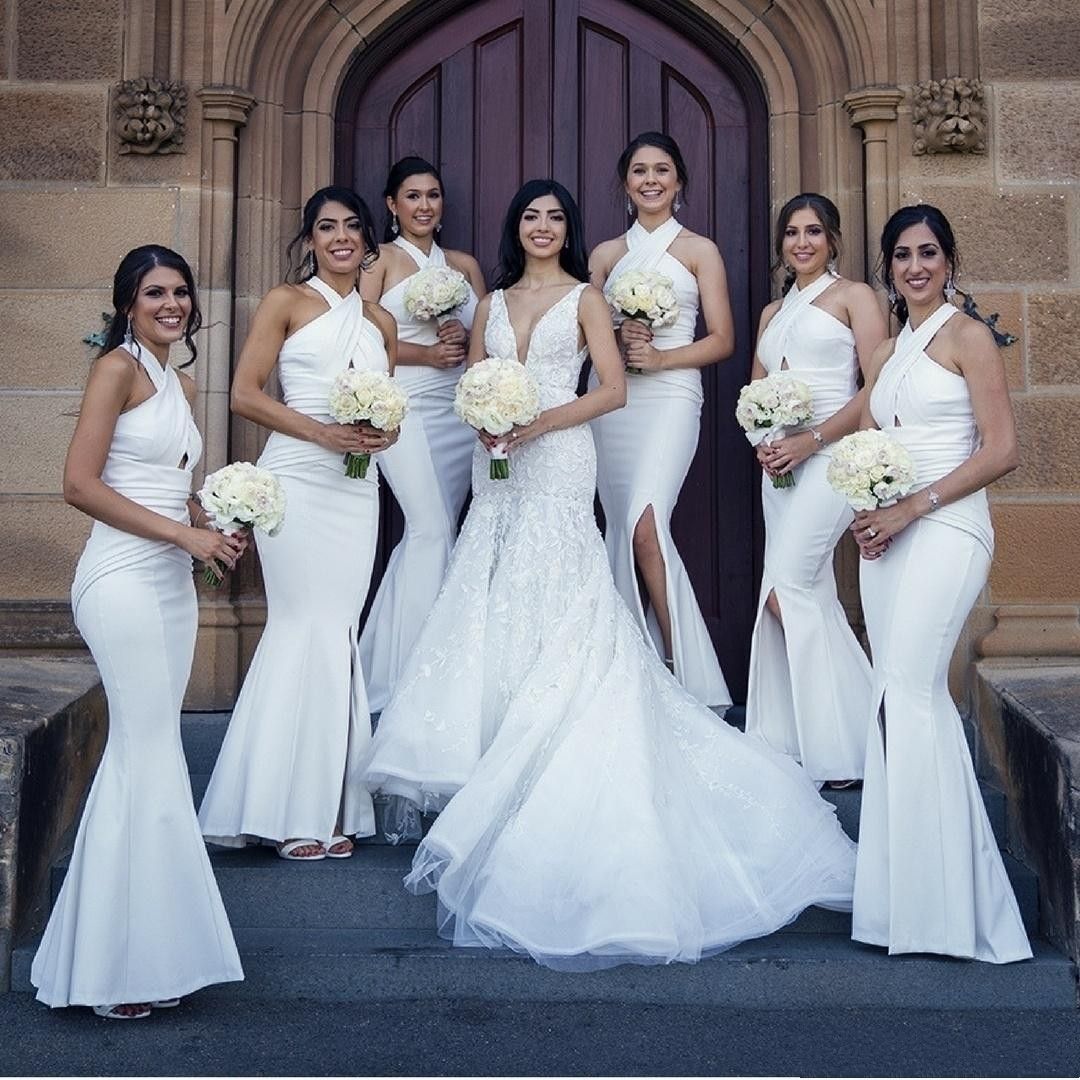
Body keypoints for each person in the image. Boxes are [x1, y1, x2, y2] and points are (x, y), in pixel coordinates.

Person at [359, 180, 856, 971]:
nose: (544, 227)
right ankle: (485, 755)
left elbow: (614, 391)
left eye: (556, 217)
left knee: (561, 581)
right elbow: (463, 387)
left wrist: (536, 423)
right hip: (500, 467)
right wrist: (487, 421)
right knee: (488, 586)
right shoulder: (488, 305)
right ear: (515, 228)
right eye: (531, 216)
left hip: (556, 456)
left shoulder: (589, 298)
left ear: (571, 228)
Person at [32, 246, 245, 1018]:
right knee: (143, 749)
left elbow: (164, 483)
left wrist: (207, 522)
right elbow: (79, 484)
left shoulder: (178, 382)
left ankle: (144, 953)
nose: (173, 304)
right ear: (127, 303)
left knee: (150, 752)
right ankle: (116, 969)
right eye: (155, 292)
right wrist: (180, 536)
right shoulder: (115, 370)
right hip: (120, 578)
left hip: (170, 585)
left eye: (181, 292)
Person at [850, 204, 1031, 963]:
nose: (915, 266)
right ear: (888, 268)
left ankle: (950, 910)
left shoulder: (968, 336)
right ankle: (907, 899)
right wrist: (868, 504)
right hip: (892, 533)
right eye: (901, 255)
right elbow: (871, 430)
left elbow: (1002, 451)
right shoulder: (892, 348)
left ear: (949, 261)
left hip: (949, 529)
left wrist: (912, 507)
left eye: (928, 253)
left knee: (911, 687)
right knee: (896, 698)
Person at [198, 187, 397, 861]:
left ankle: (331, 806)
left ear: (369, 239)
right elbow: (245, 394)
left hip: (355, 489)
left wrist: (377, 436)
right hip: (299, 478)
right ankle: (277, 809)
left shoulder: (381, 324)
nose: (340, 237)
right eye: (325, 227)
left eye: (351, 226)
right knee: (298, 623)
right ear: (310, 241)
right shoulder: (287, 302)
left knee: (339, 628)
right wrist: (322, 433)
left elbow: (390, 422)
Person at [588, 132, 735, 708]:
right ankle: (630, 671)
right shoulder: (604, 256)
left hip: (673, 396)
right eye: (640, 171)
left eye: (663, 170)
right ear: (625, 185)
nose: (651, 180)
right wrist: (618, 342)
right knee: (618, 528)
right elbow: (582, 336)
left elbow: (722, 339)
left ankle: (685, 678)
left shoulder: (700, 251)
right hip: (617, 406)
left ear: (679, 182)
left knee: (645, 525)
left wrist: (662, 356)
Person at [743, 194, 886, 786]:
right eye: (792, 234)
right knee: (808, 595)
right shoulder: (773, 313)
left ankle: (855, 736)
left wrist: (812, 440)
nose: (801, 243)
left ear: (832, 239)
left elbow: (879, 387)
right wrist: (764, 442)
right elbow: (756, 393)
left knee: (787, 590)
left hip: (831, 459)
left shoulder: (855, 297)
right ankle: (810, 739)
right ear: (781, 244)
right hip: (779, 469)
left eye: (813, 232)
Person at [358, 157, 486, 711]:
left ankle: (396, 664)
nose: (425, 206)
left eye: (433, 195)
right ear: (392, 204)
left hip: (457, 411)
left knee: (437, 535)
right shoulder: (379, 260)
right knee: (429, 528)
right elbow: (358, 334)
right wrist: (426, 352)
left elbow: (488, 331)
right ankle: (405, 679)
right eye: (412, 196)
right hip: (403, 405)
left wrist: (462, 337)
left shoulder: (463, 265)